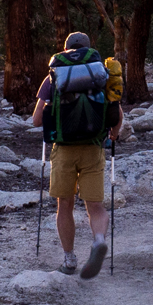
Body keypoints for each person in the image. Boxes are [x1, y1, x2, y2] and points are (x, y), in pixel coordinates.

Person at [32, 31, 122, 278]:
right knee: (95, 205)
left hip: (63, 150)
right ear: (88, 49)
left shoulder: (53, 77)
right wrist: (113, 134)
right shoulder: (100, 74)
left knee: (65, 205)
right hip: (93, 147)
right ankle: (99, 240)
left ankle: (69, 259)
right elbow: (116, 111)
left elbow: (37, 120)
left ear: (66, 50)